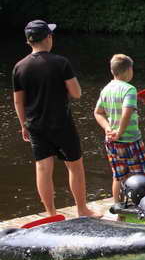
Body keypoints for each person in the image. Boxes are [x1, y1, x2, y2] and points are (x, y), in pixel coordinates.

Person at [12, 20, 99, 218]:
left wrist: (23, 125)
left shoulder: (19, 67)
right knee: (75, 166)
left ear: (29, 41)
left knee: (43, 168)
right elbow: (76, 93)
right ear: (48, 38)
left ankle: (51, 214)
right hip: (62, 123)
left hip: (35, 125)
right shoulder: (61, 62)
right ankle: (82, 209)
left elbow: (18, 101)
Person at [94, 54, 145, 203]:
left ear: (112, 71)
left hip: (112, 142)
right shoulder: (129, 89)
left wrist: (108, 128)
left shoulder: (106, 89)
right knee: (143, 176)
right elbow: (127, 113)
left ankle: (118, 206)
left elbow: (98, 112)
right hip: (130, 140)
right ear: (128, 70)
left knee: (118, 176)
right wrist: (119, 132)